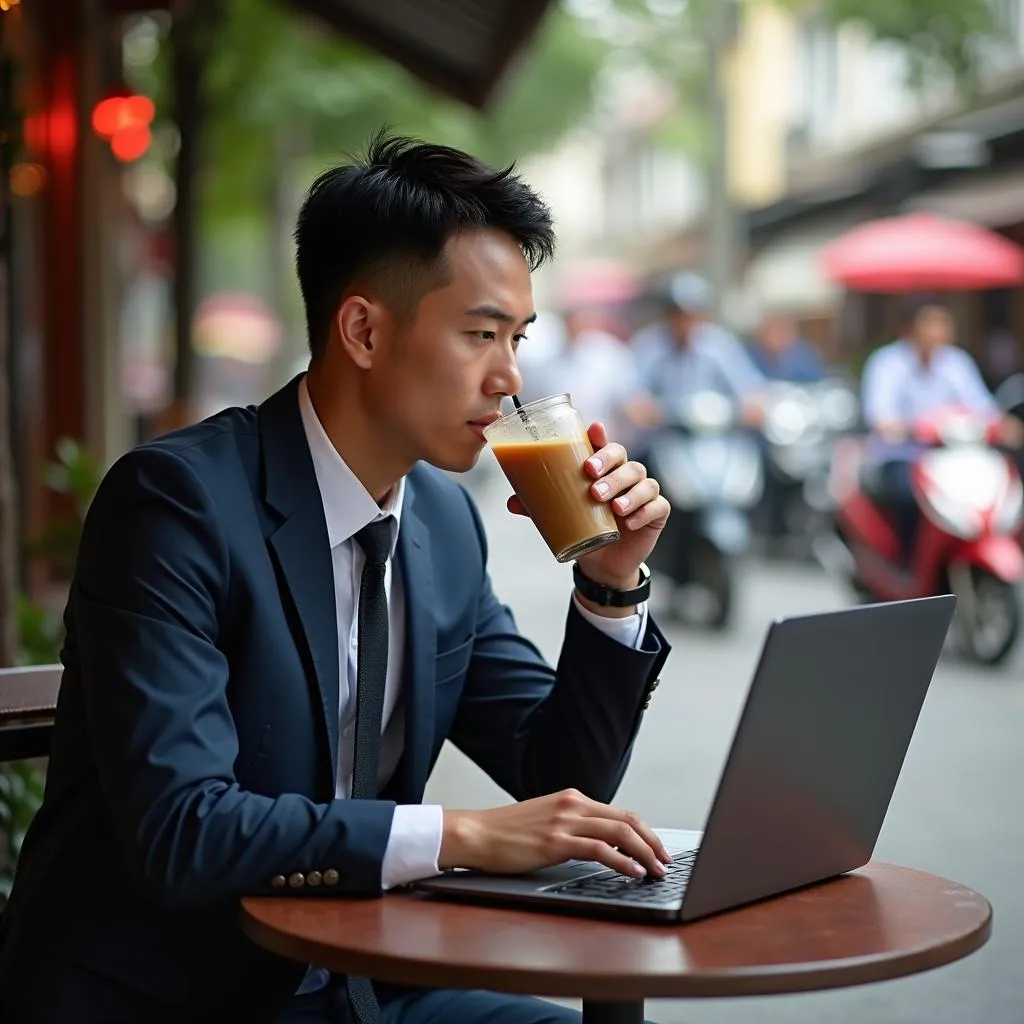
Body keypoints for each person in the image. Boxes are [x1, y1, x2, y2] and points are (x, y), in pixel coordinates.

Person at [0, 133, 673, 1024]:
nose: (510, 377)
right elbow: (182, 830)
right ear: (362, 329)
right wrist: (462, 836)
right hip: (174, 997)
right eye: (480, 334)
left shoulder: (440, 520)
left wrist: (611, 583)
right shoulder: (176, 505)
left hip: (360, 984)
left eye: (517, 337)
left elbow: (561, 769)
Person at [861, 295, 1023, 563]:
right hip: (904, 456)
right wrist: (902, 427)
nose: (940, 331)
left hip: (953, 457)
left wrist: (1004, 425)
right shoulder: (887, 363)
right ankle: (907, 561)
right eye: (932, 324)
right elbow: (880, 416)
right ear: (909, 329)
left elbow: (982, 407)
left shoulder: (955, 362)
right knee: (906, 494)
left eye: (944, 324)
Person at [622, 272, 767, 448]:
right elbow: (634, 399)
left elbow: (751, 392)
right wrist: (653, 411)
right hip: (667, 443)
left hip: (719, 442)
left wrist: (745, 407)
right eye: (678, 314)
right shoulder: (649, 346)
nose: (685, 321)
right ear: (667, 314)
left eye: (692, 313)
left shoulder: (720, 345)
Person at [748, 310, 826, 384]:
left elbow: (817, 380)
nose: (778, 337)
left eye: (782, 332)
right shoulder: (754, 355)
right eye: (773, 332)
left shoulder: (804, 354)